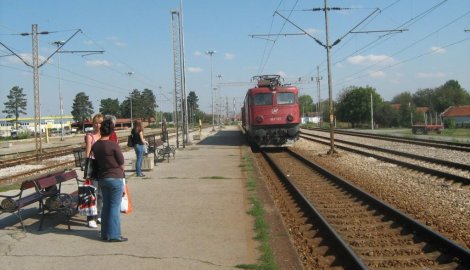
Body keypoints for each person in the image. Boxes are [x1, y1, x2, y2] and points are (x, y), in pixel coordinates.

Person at [92, 119, 127, 242]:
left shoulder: (96, 145)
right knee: (114, 207)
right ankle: (114, 235)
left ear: (101, 130)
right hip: (115, 178)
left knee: (106, 206)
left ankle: (105, 234)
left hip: (102, 178)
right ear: (112, 131)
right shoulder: (113, 145)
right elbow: (121, 163)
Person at [84, 113, 103, 228]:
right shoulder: (90, 136)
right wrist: (87, 171)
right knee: (92, 193)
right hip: (94, 167)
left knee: (101, 194)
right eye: (96, 123)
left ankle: (99, 214)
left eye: (100, 123)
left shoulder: (105, 135)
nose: (98, 125)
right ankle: (90, 218)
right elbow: (87, 153)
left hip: (103, 167)